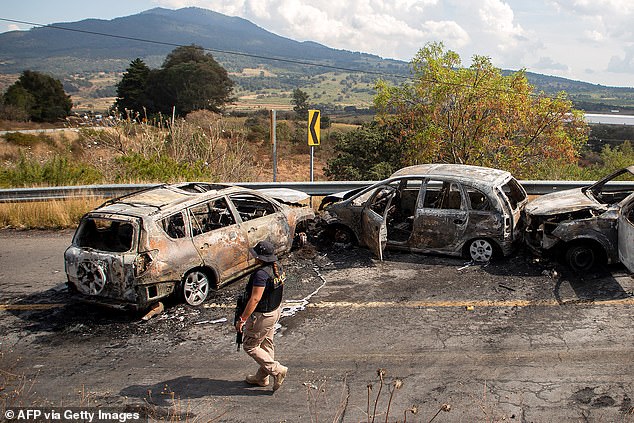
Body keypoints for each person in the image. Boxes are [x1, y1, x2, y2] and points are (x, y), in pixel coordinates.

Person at [235, 240, 288, 391]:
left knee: (250, 345)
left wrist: (242, 319)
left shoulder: (261, 274)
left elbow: (255, 298)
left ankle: (277, 370)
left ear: (261, 258)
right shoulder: (277, 267)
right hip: (274, 311)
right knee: (266, 344)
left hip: (262, 316)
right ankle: (262, 378)